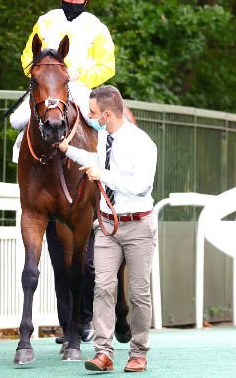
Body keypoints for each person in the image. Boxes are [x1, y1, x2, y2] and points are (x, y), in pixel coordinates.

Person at [11, 0, 116, 344]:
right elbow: (28, 55)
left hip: (78, 86)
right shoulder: (45, 20)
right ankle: (24, 161)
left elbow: (108, 65)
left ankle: (105, 168)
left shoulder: (96, 27)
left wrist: (75, 73)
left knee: (97, 122)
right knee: (18, 120)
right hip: (48, 83)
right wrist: (44, 71)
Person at [58, 85, 158, 373]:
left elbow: (141, 187)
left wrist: (104, 176)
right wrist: (68, 150)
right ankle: (103, 353)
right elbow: (96, 161)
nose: (89, 117)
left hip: (138, 225)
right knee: (102, 287)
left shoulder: (142, 144)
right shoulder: (104, 138)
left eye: (92, 113)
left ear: (107, 114)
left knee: (139, 294)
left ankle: (138, 353)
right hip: (107, 226)